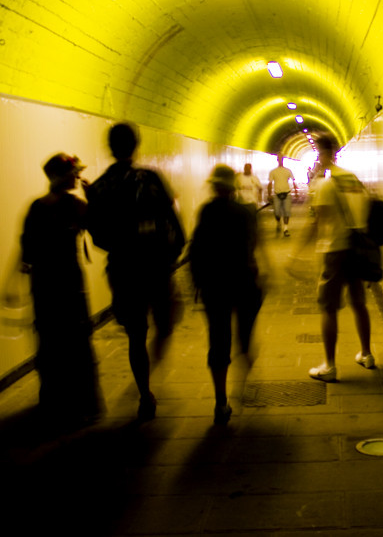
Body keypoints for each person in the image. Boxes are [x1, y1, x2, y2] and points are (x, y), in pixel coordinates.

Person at [85, 123, 185, 420]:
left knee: (135, 335)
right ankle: (153, 366)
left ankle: (145, 392)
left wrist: (120, 246)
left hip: (123, 268)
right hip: (155, 264)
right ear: (136, 145)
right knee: (165, 323)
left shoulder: (101, 186)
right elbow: (172, 216)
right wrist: (176, 249)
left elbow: (97, 235)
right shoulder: (150, 177)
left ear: (110, 147)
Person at [19, 153, 102, 426]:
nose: (78, 177)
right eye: (74, 173)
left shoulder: (36, 207)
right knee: (77, 342)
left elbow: (27, 252)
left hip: (44, 285)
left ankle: (53, 403)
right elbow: (101, 231)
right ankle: (83, 404)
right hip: (69, 284)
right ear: (62, 177)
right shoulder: (76, 206)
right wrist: (95, 199)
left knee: (50, 343)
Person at [188, 165, 264, 425]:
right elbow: (252, 246)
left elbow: (195, 250)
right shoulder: (244, 213)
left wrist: (196, 284)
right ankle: (241, 383)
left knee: (218, 341)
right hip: (243, 282)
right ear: (233, 187)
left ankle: (221, 402)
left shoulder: (206, 212)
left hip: (214, 286)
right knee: (244, 337)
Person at [299, 133, 375, 382]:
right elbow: (366, 207)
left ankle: (329, 366)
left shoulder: (326, 185)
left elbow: (316, 222)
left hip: (334, 250)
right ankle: (366, 354)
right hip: (356, 249)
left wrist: (295, 253)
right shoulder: (351, 179)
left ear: (321, 153)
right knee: (359, 303)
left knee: (328, 308)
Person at [267, 155, 297, 237]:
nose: (280, 160)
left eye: (281, 159)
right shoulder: (273, 171)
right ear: (277, 160)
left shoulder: (287, 171)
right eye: (279, 159)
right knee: (277, 212)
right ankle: (278, 222)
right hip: (277, 194)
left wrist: (296, 191)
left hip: (287, 193)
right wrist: (269, 194)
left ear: (283, 160)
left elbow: (293, 181)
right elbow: (270, 183)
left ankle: (286, 229)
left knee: (286, 212)